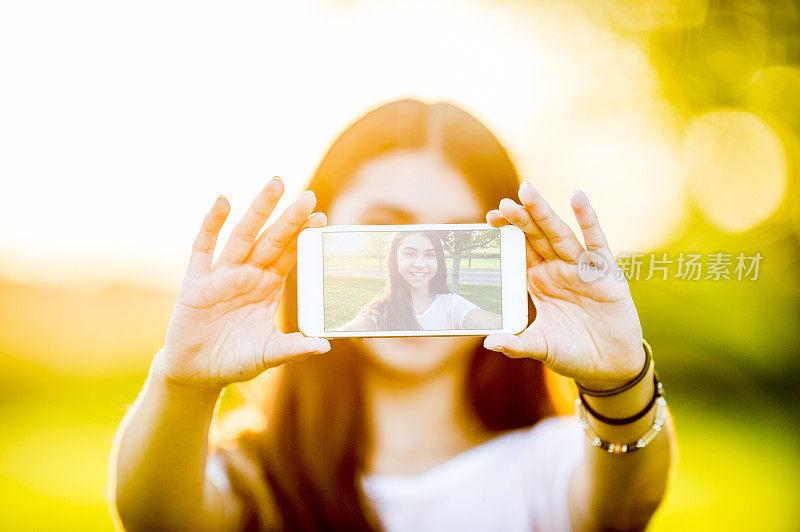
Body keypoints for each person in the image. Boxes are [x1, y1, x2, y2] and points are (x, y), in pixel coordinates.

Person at [110, 99, 676, 531]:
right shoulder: (251, 479)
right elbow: (155, 518)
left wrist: (620, 381)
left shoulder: (549, 464)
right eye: (387, 227)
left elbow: (629, 502)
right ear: (318, 236)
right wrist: (183, 382)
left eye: (458, 238)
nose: (420, 262)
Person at [337, 230, 502, 332]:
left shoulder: (450, 304)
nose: (420, 264)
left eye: (430, 255)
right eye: (410, 253)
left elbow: (492, 322)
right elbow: (350, 329)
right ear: (395, 259)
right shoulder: (379, 309)